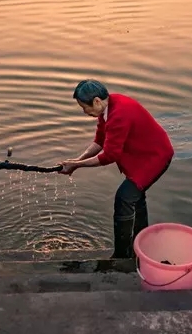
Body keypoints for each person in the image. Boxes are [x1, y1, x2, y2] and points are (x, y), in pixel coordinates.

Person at [60, 80, 174, 259]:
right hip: (141, 155)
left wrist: (77, 165)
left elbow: (109, 156)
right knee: (135, 199)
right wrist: (77, 160)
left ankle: (122, 255)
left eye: (84, 108)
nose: (85, 112)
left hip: (155, 157)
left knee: (124, 198)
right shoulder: (107, 108)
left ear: (97, 101)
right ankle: (142, 245)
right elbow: (100, 141)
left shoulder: (119, 114)